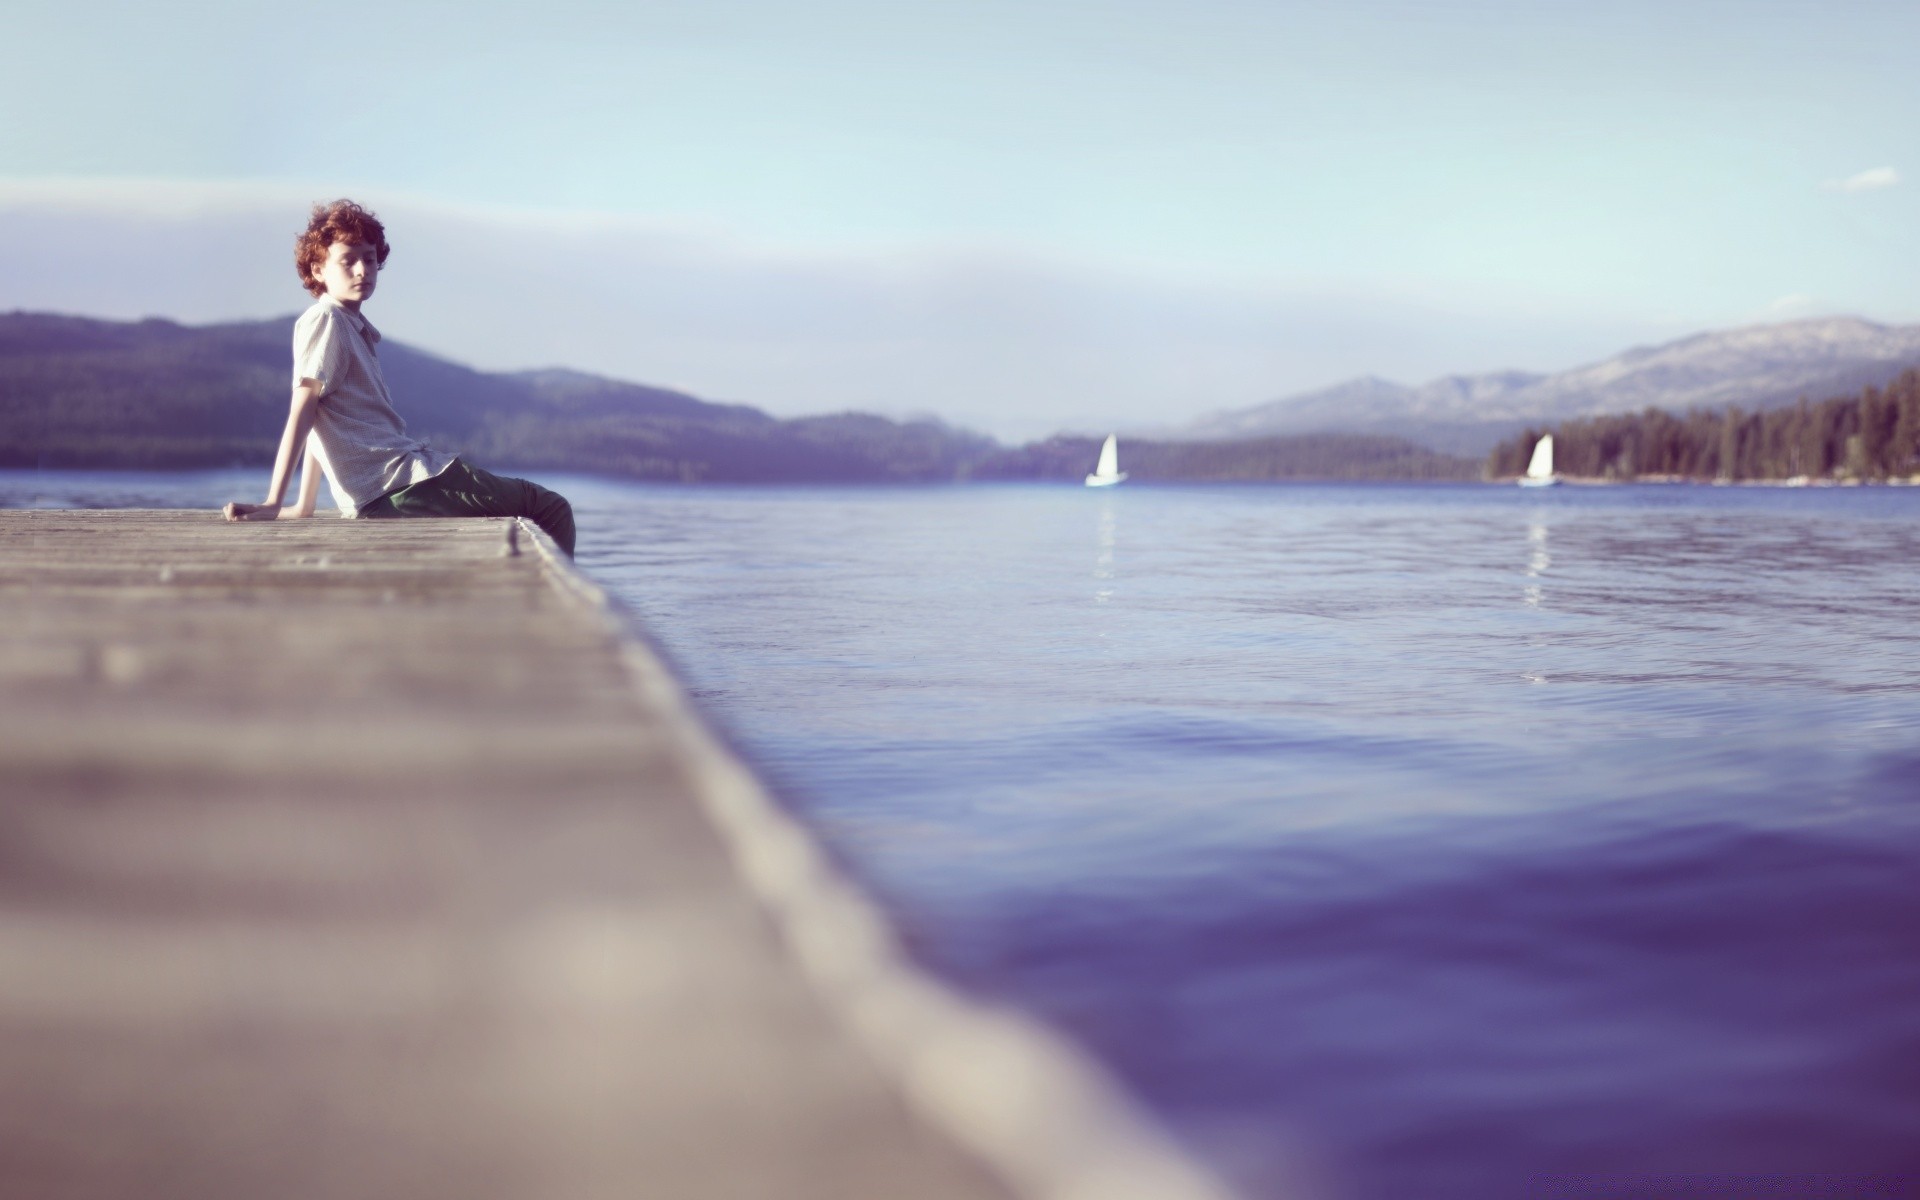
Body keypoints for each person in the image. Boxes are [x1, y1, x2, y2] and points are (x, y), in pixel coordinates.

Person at [224, 199, 575, 556]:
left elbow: (322, 412)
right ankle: (566, 611)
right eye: (348, 260)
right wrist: (272, 501)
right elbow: (304, 406)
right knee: (549, 506)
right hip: (398, 487)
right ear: (318, 270)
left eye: (371, 259)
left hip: (391, 489)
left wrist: (304, 505)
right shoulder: (328, 320)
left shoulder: (345, 325)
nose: (363, 270)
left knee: (524, 519)